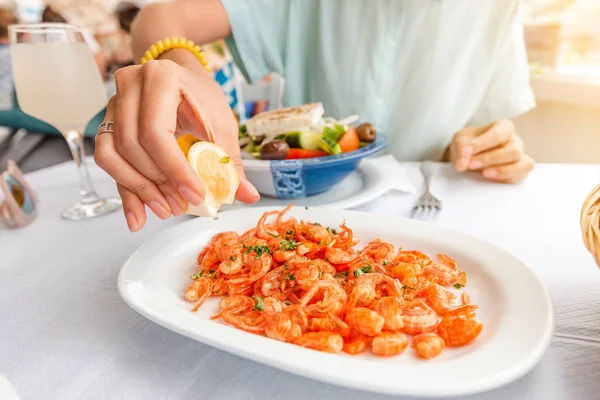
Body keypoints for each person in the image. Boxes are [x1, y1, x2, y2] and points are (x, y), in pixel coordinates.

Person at [94, 0, 537, 232]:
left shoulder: (498, 8)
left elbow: (490, 126)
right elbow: (160, 15)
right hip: (307, 210)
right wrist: (184, 68)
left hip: (435, 210)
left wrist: (492, 145)